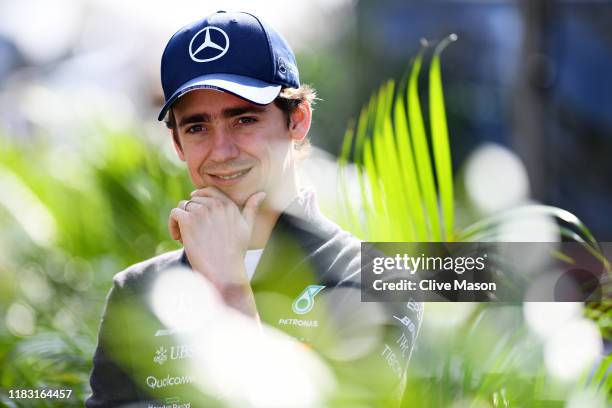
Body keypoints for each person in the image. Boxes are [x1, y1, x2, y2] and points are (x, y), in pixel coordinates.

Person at [86, 10, 422, 407]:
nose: (222, 150)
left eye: (244, 119)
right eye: (197, 127)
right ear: (177, 144)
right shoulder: (138, 289)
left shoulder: (373, 279)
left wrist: (229, 290)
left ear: (297, 121)